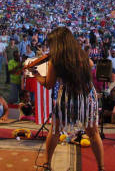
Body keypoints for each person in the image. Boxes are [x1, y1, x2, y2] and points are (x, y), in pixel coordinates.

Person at [30, 27, 104, 171]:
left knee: (55, 130)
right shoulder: (81, 55)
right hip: (87, 97)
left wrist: (35, 73)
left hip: (67, 98)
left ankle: (47, 164)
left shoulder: (57, 60)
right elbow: (90, 65)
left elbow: (49, 84)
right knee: (93, 133)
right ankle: (101, 167)